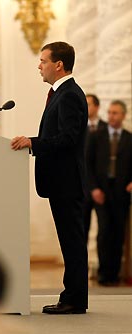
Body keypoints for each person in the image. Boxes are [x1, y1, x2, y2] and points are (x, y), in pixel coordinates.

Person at [11, 41, 88, 314]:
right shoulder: (61, 93)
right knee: (70, 241)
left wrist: (32, 142)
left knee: (72, 242)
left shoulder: (68, 94)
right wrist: (35, 143)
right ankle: (73, 297)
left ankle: (74, 300)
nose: (39, 66)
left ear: (59, 64)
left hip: (66, 181)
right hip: (61, 181)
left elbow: (68, 138)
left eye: (43, 61)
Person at [87, 100, 132, 285]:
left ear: (123, 115)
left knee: (118, 233)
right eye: (110, 112)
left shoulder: (129, 138)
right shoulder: (97, 136)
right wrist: (94, 188)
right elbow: (88, 164)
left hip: (121, 191)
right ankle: (104, 274)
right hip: (102, 191)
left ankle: (115, 274)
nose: (112, 116)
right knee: (104, 232)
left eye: (116, 113)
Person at [83, 94, 108, 243]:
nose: (86, 107)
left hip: (103, 188)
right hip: (84, 188)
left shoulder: (106, 128)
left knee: (105, 231)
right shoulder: (79, 128)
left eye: (89, 104)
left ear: (97, 107)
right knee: (81, 230)